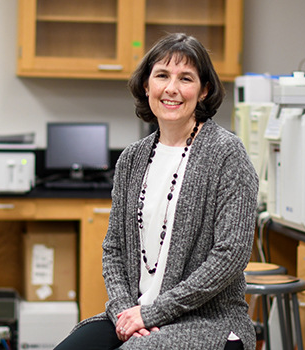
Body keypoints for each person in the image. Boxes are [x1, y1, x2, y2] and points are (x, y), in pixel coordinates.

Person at [55, 33, 258, 350]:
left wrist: (153, 313)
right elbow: (114, 250)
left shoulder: (227, 154)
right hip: (134, 313)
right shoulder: (132, 159)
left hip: (207, 321)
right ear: (147, 86)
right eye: (162, 75)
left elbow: (229, 257)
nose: (172, 88)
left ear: (204, 90)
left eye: (185, 78)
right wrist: (125, 311)